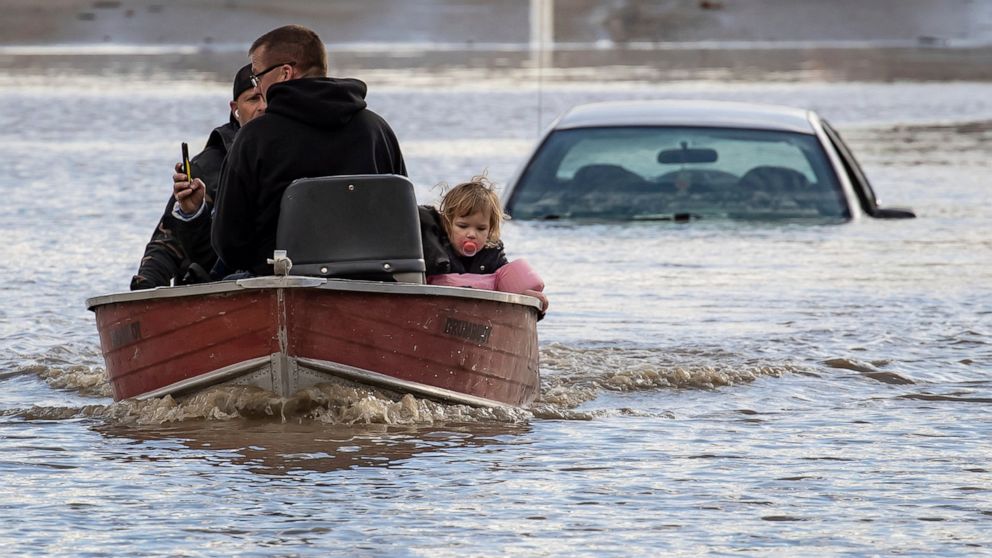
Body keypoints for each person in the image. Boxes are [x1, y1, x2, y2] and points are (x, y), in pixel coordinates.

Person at [212, 24, 407, 276]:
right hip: (370, 284)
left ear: (285, 73)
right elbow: (402, 220)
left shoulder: (255, 138)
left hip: (281, 286)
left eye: (257, 76)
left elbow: (229, 244)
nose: (257, 86)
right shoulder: (376, 129)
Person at [129, 64, 265, 290]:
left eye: (268, 97)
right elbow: (167, 244)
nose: (263, 107)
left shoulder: (300, 153)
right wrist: (146, 289)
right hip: (221, 291)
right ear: (235, 108)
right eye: (253, 99)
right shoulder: (205, 169)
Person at [420, 176, 549, 311]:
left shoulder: (493, 254)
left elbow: (509, 289)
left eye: (481, 229)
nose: (471, 234)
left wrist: (527, 299)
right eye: (462, 226)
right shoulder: (434, 253)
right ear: (447, 225)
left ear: (490, 230)